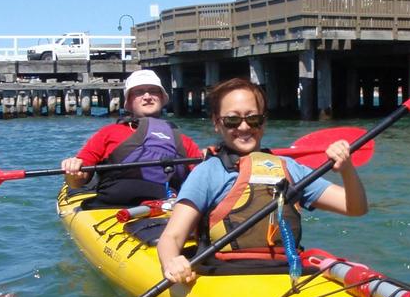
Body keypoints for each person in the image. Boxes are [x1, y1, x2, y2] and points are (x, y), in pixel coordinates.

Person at [157, 77, 368, 285]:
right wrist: (171, 262)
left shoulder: (289, 168)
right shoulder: (208, 172)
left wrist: (346, 169)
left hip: (286, 274)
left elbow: (355, 208)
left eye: (253, 119)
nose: (244, 127)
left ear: (263, 121)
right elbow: (172, 238)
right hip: (224, 275)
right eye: (232, 120)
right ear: (216, 123)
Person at [61, 69, 204, 208]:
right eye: (139, 92)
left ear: (162, 98)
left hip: (167, 207)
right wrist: (73, 169)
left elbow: (203, 179)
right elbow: (78, 182)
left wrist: (209, 160)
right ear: (129, 102)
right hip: (114, 207)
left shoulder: (182, 140)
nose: (147, 96)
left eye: (153, 91)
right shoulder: (108, 133)